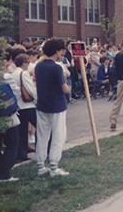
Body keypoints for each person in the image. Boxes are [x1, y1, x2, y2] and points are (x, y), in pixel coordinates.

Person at [35, 38, 71, 177]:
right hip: (57, 105)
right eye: (61, 51)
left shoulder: (39, 66)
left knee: (42, 135)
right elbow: (64, 89)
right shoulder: (56, 67)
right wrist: (68, 87)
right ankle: (54, 167)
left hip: (42, 105)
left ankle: (40, 166)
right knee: (58, 135)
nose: (62, 54)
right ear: (56, 51)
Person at [8, 54, 37, 163]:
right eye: (27, 62)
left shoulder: (13, 73)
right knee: (40, 126)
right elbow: (30, 89)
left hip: (19, 106)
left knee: (22, 131)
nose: (28, 64)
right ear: (24, 62)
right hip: (28, 105)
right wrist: (36, 100)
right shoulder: (23, 73)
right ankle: (42, 147)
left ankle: (22, 153)